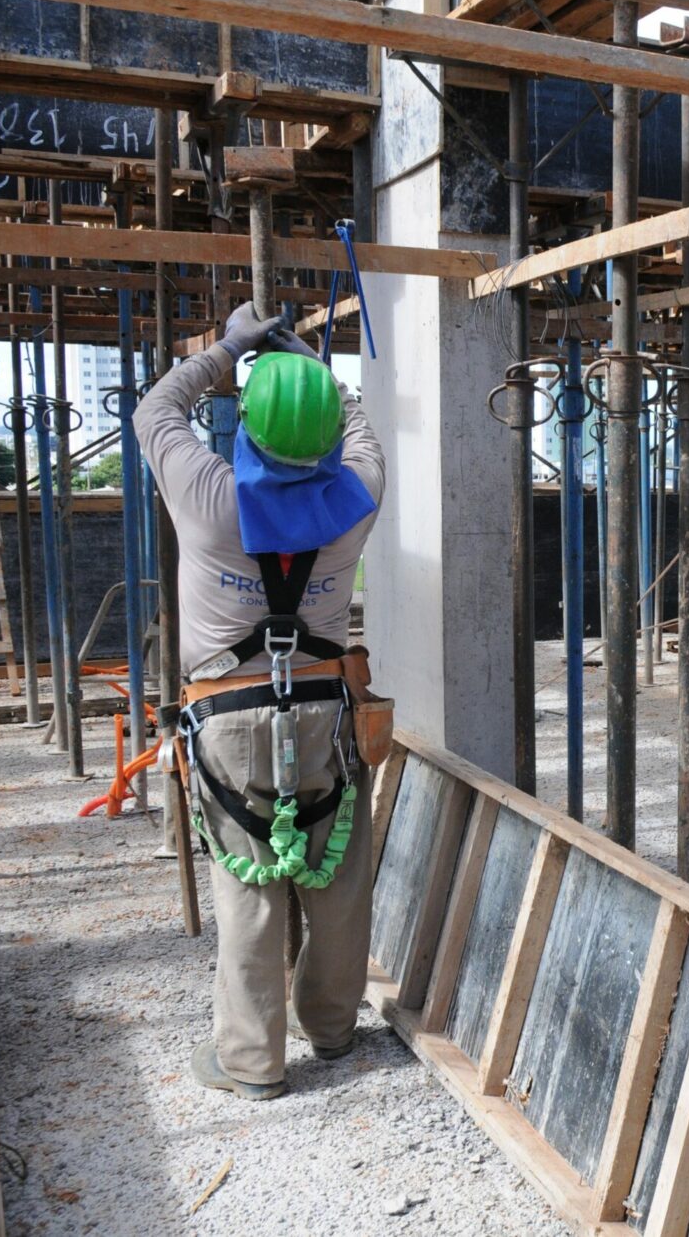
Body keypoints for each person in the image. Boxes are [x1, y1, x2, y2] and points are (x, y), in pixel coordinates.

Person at [136, 302, 388, 1100]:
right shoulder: (357, 499)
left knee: (249, 880)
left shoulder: (207, 493)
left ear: (246, 425)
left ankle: (253, 1061)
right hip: (324, 708)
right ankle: (336, 1029)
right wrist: (310, 359)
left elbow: (156, 407)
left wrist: (232, 344)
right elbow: (359, 428)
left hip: (229, 719)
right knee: (337, 872)